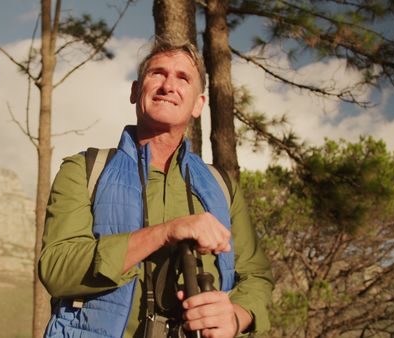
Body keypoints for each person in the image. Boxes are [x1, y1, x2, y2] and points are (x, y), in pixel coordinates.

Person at [39, 41, 274, 338]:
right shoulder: (84, 170)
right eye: (157, 74)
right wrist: (168, 231)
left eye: (183, 78)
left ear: (199, 104)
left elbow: (256, 276)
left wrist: (237, 317)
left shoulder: (222, 186)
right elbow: (57, 269)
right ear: (135, 91)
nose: (168, 85)